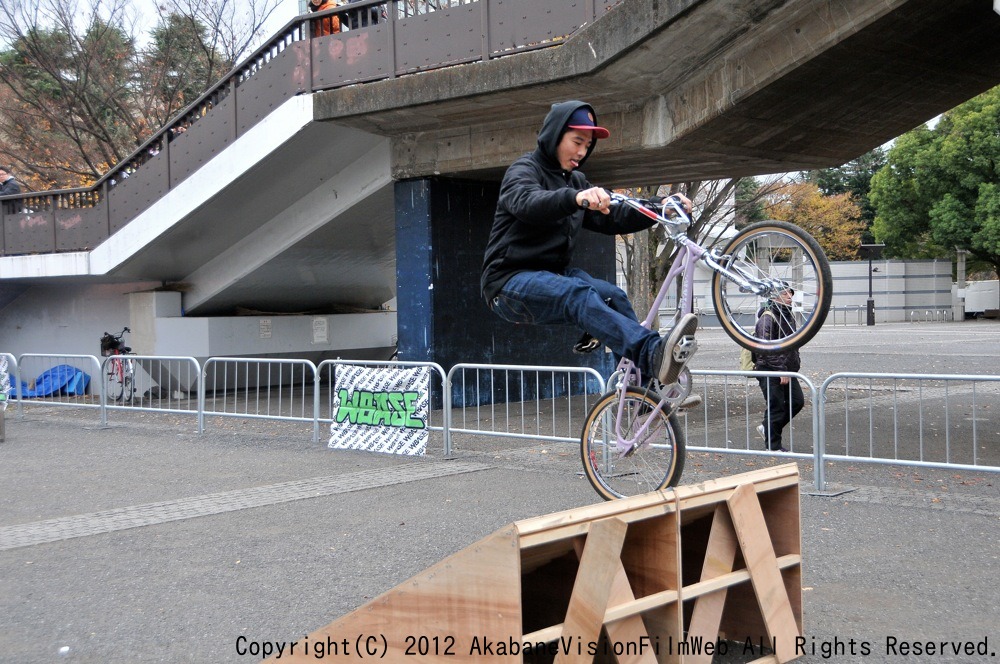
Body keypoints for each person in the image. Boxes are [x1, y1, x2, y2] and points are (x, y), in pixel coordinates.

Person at [481, 100, 699, 388]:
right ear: (555, 135)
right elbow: (527, 203)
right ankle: (651, 353)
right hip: (509, 283)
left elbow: (614, 216)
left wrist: (661, 208)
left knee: (614, 297)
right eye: (577, 142)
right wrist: (574, 198)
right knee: (579, 294)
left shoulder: (576, 180)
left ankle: (643, 388)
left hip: (553, 276)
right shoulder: (523, 170)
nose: (582, 152)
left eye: (588, 146)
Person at [753, 284, 804, 452]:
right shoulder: (767, 317)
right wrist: (780, 369)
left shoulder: (788, 316)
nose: (789, 295)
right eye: (785, 293)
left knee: (796, 402)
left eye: (790, 292)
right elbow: (764, 349)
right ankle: (773, 446)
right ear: (774, 296)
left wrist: (792, 365)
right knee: (776, 406)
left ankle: (766, 428)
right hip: (769, 369)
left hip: (787, 369)